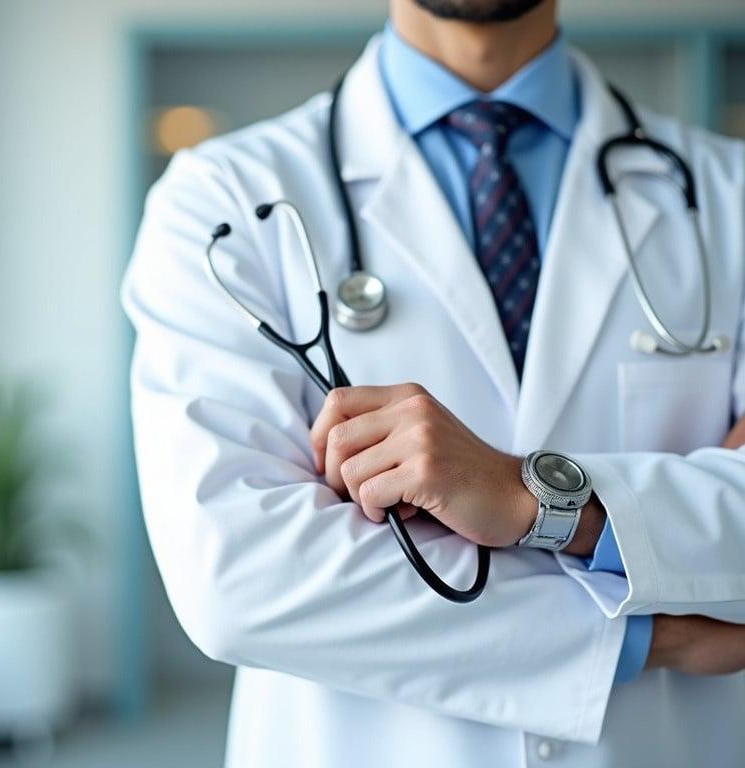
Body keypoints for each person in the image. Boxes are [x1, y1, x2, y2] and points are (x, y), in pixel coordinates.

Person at [122, 1, 745, 765]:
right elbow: (241, 579)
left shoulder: (728, 194)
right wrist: (646, 634)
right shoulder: (222, 204)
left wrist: (536, 498)